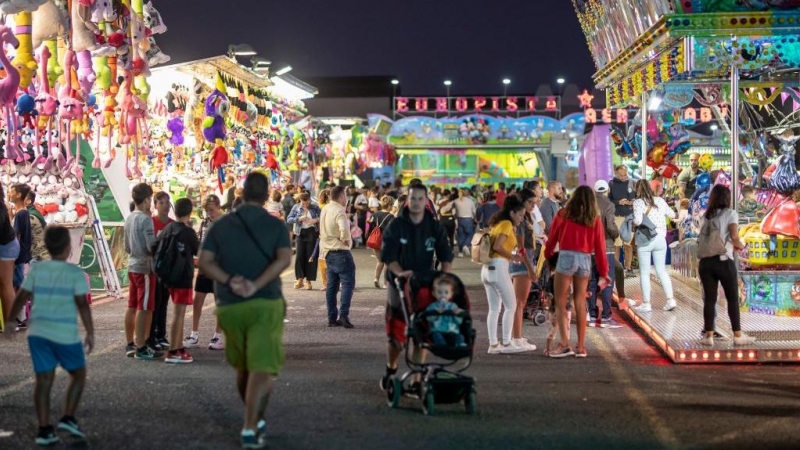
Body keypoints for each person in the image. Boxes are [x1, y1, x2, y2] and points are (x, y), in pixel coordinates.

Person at [198, 172, 292, 449]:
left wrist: (229, 280)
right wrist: (256, 284)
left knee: (243, 368)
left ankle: (253, 419)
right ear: (266, 196)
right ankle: (251, 424)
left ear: (241, 192)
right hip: (266, 302)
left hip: (229, 305)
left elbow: (204, 261)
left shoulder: (221, 225)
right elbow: (284, 259)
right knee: (260, 367)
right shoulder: (275, 226)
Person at [6, 225, 93, 446]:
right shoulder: (75, 273)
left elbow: (20, 296)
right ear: (68, 248)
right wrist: (90, 332)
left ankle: (44, 428)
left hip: (38, 333)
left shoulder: (37, 270)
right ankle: (68, 417)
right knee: (79, 374)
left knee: (43, 380)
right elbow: (83, 305)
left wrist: (10, 321)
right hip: (65, 334)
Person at [379, 183, 453, 391]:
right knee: (397, 338)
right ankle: (391, 367)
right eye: (413, 199)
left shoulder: (433, 226)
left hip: (424, 283)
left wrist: (444, 276)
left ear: (427, 201)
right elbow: (388, 255)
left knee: (421, 332)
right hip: (398, 283)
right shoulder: (397, 225)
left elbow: (445, 253)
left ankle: (417, 379)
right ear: (406, 200)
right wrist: (400, 271)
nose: (417, 203)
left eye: (421, 199)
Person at [545, 186, 611, 359]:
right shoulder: (594, 219)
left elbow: (552, 237)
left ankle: (565, 344)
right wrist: (604, 271)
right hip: (585, 259)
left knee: (560, 301)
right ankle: (581, 347)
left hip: (566, 256)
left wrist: (548, 255)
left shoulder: (563, 214)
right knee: (580, 302)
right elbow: (600, 247)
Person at [698, 185, 756, 347]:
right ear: (727, 198)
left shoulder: (706, 216)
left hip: (705, 262)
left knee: (709, 300)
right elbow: (734, 236)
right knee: (732, 299)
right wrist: (741, 245)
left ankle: (708, 336)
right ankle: (737, 335)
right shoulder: (730, 214)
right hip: (723, 261)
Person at [483, 195, 529, 354]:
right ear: (512, 213)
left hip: (487, 269)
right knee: (511, 306)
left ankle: (494, 345)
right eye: (521, 215)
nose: (522, 218)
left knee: (494, 309)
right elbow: (498, 246)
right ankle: (507, 342)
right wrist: (513, 256)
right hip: (498, 267)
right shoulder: (507, 224)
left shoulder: (497, 223)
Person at [157, 198, 200, 364]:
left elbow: (155, 246)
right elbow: (198, 251)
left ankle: (178, 347)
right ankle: (173, 351)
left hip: (168, 275)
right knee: (179, 314)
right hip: (182, 275)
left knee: (178, 313)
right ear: (189, 213)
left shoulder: (169, 228)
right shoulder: (188, 232)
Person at [123, 183, 160, 360]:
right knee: (143, 307)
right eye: (150, 199)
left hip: (132, 266)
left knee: (131, 306)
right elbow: (150, 246)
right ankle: (141, 346)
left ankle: (130, 343)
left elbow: (127, 247)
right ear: (146, 199)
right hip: (145, 268)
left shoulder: (129, 218)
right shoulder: (146, 220)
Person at [628, 180, 678, 312]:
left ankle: (646, 303)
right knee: (661, 270)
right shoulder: (660, 200)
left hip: (645, 240)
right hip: (661, 239)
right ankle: (670, 300)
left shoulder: (638, 202)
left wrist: (632, 220)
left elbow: (638, 220)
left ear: (637, 190)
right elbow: (673, 215)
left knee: (644, 273)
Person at [186, 195, 226, 351]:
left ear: (218, 206)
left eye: (211, 210)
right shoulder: (204, 223)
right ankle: (194, 334)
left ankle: (218, 336)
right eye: (207, 210)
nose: (209, 213)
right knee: (198, 302)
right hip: (205, 267)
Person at [320, 186, 356, 328]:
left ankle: (331, 318)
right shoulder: (339, 210)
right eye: (345, 196)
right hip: (341, 252)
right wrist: (346, 240)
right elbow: (344, 231)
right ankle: (344, 316)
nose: (346, 198)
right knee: (348, 284)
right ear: (341, 197)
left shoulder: (325, 209)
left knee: (331, 287)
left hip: (328, 252)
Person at [587, 180, 622, 328]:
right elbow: (610, 225)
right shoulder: (608, 204)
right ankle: (607, 316)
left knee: (592, 282)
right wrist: (616, 234)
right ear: (607, 190)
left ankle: (592, 315)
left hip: (590, 249)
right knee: (607, 282)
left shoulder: (588, 205)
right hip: (605, 248)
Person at [509, 190, 538, 351]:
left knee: (520, 303)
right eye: (530, 203)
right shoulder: (520, 221)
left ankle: (517, 336)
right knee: (519, 303)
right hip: (522, 263)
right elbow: (520, 248)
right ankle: (516, 338)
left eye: (534, 203)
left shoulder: (525, 218)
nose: (533, 206)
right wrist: (530, 268)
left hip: (525, 261)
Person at [149, 191, 173, 351]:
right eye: (161, 203)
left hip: (167, 270)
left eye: (167, 203)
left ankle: (161, 334)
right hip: (153, 270)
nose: (164, 206)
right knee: (154, 304)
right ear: (155, 205)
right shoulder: (151, 223)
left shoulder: (172, 224)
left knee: (164, 302)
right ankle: (152, 334)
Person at [10, 184, 33, 330]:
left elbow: (16, 236)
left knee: (16, 286)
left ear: (19, 195)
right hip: (21, 254)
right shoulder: (20, 213)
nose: (9, 193)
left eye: (12, 191)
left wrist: (11, 257)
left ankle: (19, 317)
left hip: (17, 255)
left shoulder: (21, 214)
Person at [287, 193, 321, 290]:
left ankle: (308, 281)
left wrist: (315, 220)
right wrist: (299, 219)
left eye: (306, 203)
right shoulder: (296, 207)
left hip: (312, 233)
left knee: (310, 256)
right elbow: (288, 219)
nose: (305, 205)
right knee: (299, 256)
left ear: (309, 200)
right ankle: (300, 279)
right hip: (300, 233)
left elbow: (323, 216)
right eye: (303, 203)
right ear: (300, 200)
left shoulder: (314, 207)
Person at [608, 165, 636, 277]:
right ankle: (617, 268)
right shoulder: (611, 184)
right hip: (617, 217)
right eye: (621, 175)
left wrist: (631, 202)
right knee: (617, 244)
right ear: (616, 174)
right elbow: (608, 200)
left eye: (625, 175)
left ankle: (628, 268)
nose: (624, 177)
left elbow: (636, 197)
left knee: (628, 244)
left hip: (629, 216)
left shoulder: (632, 183)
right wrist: (619, 202)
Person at [543, 253, 571, 356]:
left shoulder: (552, 278)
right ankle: (564, 344)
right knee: (566, 327)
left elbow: (548, 292)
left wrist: (548, 299)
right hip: (565, 307)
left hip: (554, 307)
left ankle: (548, 348)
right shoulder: (567, 277)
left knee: (552, 329)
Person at [426, 274, 466, 347]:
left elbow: (459, 321)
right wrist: (436, 313)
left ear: (451, 295)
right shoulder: (433, 306)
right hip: (438, 330)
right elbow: (428, 318)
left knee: (460, 336)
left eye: (446, 292)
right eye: (439, 292)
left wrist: (457, 314)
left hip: (452, 331)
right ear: (434, 293)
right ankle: (442, 346)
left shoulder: (453, 306)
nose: (443, 295)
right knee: (436, 336)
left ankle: (459, 345)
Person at [367, 195, 395, 289]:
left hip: (376, 240)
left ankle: (376, 279)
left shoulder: (376, 213)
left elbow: (369, 221)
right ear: (389, 205)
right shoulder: (391, 216)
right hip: (386, 241)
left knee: (379, 261)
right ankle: (385, 283)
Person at [454, 188, 477, 258]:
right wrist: (474, 217)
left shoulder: (456, 201)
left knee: (460, 236)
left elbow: (453, 211)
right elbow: (474, 211)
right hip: (468, 219)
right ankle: (466, 245)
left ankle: (460, 252)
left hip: (459, 219)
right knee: (470, 234)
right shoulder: (470, 201)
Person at [316, 189, 331, 291]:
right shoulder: (332, 207)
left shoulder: (319, 207)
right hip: (331, 236)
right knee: (332, 259)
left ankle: (325, 283)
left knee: (322, 259)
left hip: (322, 236)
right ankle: (334, 283)